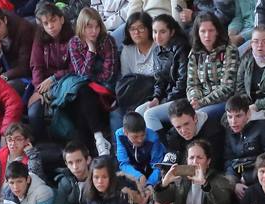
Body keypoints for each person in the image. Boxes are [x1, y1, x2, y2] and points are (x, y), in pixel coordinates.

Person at [60, 8, 120, 157]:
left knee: (84, 93)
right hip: (87, 93)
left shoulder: (107, 40)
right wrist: (91, 51)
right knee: (82, 96)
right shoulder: (74, 43)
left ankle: (90, 153)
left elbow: (108, 75)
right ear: (82, 27)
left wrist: (90, 78)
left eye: (97, 26)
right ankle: (98, 141)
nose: (94, 31)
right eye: (89, 27)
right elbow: (82, 74)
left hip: (105, 91)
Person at [222, 94, 265, 195]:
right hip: (239, 180)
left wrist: (247, 178)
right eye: (230, 117)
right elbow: (228, 160)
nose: (233, 121)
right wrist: (234, 183)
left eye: (238, 116)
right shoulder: (230, 132)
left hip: (263, 179)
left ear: (248, 114)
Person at [28, 5, 76, 137]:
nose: (50, 26)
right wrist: (38, 89)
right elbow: (36, 66)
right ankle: (41, 145)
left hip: (66, 81)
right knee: (34, 111)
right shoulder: (39, 37)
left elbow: (75, 67)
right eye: (46, 23)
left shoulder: (73, 36)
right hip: (43, 84)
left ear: (61, 19)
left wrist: (54, 78)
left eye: (53, 20)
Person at [137, 13, 190, 132]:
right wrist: (156, 98)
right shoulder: (157, 51)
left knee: (150, 114)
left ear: (172, 32)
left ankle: (163, 149)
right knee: (139, 111)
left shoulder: (181, 48)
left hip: (182, 97)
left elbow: (183, 82)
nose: (157, 36)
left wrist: (165, 99)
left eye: (162, 32)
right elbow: (159, 80)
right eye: (154, 32)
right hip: (167, 97)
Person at [185, 13, 238, 125]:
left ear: (217, 31)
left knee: (196, 117)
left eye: (211, 30)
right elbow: (192, 84)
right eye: (203, 31)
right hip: (199, 102)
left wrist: (202, 102)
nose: (207, 35)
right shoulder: (195, 53)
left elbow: (228, 88)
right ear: (197, 33)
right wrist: (194, 99)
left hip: (224, 102)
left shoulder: (229, 50)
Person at [0, 2, 35, 95]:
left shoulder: (23, 28)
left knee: (3, 90)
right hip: (0, 77)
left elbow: (25, 67)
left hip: (22, 77)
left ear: (5, 20)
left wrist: (2, 77)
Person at [161, 99, 225, 169]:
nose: (183, 130)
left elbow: (215, 166)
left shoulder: (214, 132)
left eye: (186, 124)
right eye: (178, 127)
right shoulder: (173, 135)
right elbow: (168, 165)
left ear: (195, 118)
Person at [115, 112, 165, 190]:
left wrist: (150, 183)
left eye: (143, 135)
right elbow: (123, 163)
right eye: (135, 137)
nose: (140, 140)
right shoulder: (119, 135)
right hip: (134, 167)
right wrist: (138, 176)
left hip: (150, 165)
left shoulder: (153, 138)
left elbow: (158, 166)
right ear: (125, 132)